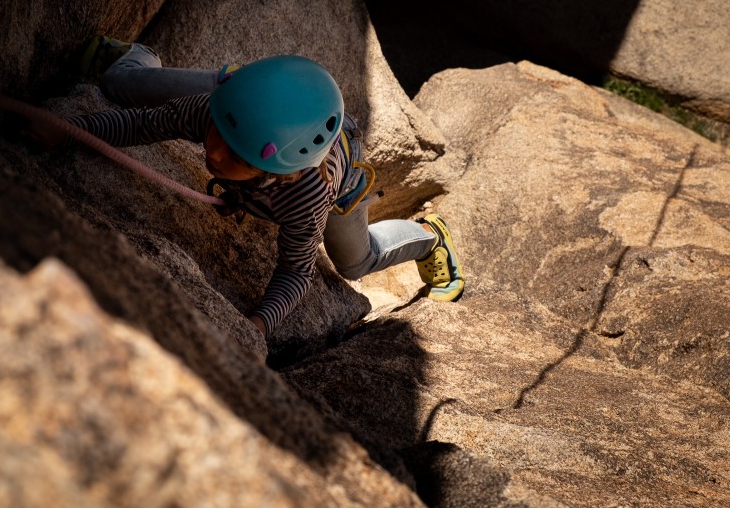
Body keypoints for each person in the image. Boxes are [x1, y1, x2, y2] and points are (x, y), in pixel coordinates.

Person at [30, 37, 465, 339]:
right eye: (217, 136)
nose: (215, 153)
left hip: (332, 168)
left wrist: (261, 321)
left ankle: (429, 237)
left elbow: (296, 270)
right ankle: (137, 56)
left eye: (236, 157)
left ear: (276, 175)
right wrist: (69, 129)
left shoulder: (306, 195)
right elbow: (143, 124)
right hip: (253, 102)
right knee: (121, 86)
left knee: (357, 261)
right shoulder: (221, 114)